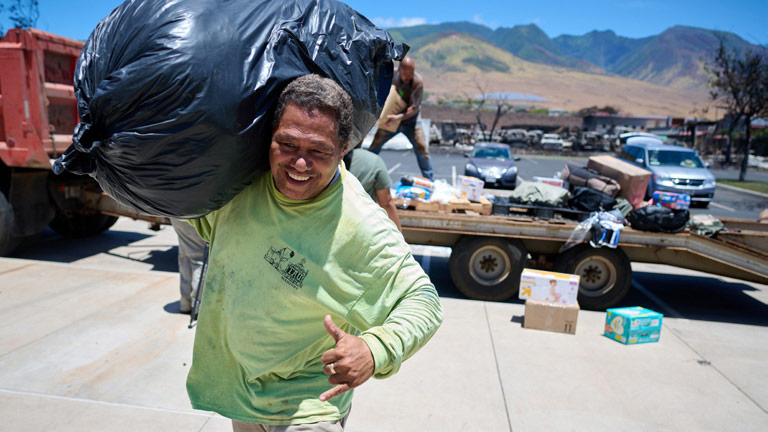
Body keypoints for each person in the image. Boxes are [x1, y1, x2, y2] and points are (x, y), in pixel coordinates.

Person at [185, 74, 443, 431]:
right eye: (287, 144)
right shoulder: (241, 185)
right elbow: (196, 215)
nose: (300, 164)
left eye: (318, 151)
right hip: (242, 399)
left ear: (342, 151)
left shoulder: (360, 226)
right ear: (269, 138)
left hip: (308, 408)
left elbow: (424, 299)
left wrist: (375, 350)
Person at [368, 56, 434, 180]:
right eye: (405, 74)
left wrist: (399, 117)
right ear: (400, 71)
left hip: (411, 120)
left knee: (421, 148)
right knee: (375, 144)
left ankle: (430, 179)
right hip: (392, 118)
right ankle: (365, 174)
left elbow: (414, 108)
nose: (408, 77)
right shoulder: (392, 76)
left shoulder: (417, 82)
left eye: (411, 74)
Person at [343, 147, 401, 231]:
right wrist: (399, 236)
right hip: (360, 227)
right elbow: (386, 203)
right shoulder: (373, 160)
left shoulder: (325, 159)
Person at [170, 218, 206, 314]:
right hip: (193, 215)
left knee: (184, 258)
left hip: (177, 215)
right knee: (198, 260)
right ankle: (197, 307)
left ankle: (185, 304)